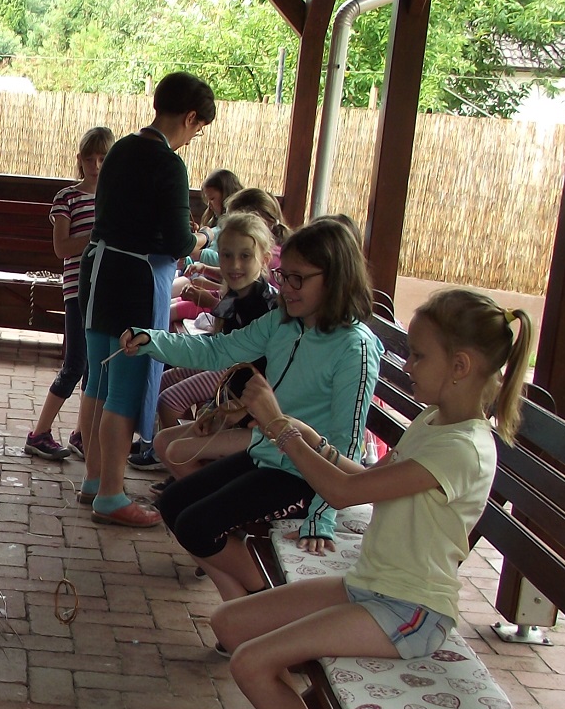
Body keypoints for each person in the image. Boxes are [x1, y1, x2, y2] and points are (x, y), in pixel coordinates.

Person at [209, 289, 534, 709]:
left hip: (409, 610)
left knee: (251, 663)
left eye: (420, 355)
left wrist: (278, 425)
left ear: (460, 366)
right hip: (372, 583)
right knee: (232, 624)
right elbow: (362, 479)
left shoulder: (464, 448)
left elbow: (343, 494)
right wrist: (308, 437)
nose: (408, 364)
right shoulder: (434, 422)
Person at [120, 219, 381, 600]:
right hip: (268, 454)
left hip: (305, 478)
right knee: (174, 504)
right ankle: (245, 606)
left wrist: (320, 518)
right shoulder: (283, 322)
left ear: (335, 278)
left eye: (298, 279)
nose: (285, 287)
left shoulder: (354, 348)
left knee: (197, 525)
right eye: (283, 275)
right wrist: (151, 340)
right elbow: (218, 350)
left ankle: (265, 604)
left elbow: (347, 446)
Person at [76, 72, 214, 526]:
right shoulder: (167, 163)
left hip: (98, 272)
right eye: (198, 129)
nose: (192, 138)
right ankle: (111, 496)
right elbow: (177, 241)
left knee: (98, 382)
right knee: (124, 390)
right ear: (189, 117)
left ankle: (95, 479)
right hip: (135, 281)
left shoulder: (120, 149)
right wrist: (204, 239)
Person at [148, 211, 279, 478]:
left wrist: (236, 412)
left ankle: (202, 492)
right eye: (227, 255)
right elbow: (230, 364)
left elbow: (267, 373)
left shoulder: (268, 308)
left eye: (245, 256)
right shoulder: (237, 297)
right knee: (164, 442)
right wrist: (215, 409)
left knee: (177, 448)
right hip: (234, 403)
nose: (234, 264)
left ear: (264, 259)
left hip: (261, 418)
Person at [26, 125, 112, 462]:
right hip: (77, 289)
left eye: (103, 159)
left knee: (96, 367)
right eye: (90, 159)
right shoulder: (67, 197)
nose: (96, 165)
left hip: (105, 293)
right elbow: (62, 248)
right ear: (80, 159)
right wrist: (98, 234)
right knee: (75, 363)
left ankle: (81, 433)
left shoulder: (116, 200)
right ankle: (39, 433)